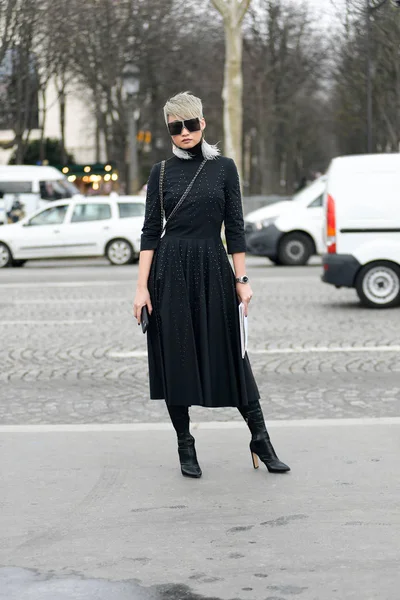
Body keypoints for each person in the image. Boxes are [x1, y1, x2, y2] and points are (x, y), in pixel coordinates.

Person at [133, 92, 290, 479]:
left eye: (190, 124)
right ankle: (186, 446)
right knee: (176, 358)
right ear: (168, 130)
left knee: (233, 355)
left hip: (213, 270)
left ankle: (261, 440)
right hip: (169, 273)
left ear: (203, 124)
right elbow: (150, 232)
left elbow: (235, 229)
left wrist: (242, 279)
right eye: (176, 126)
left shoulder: (225, 169)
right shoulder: (162, 173)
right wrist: (141, 288)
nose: (184, 132)